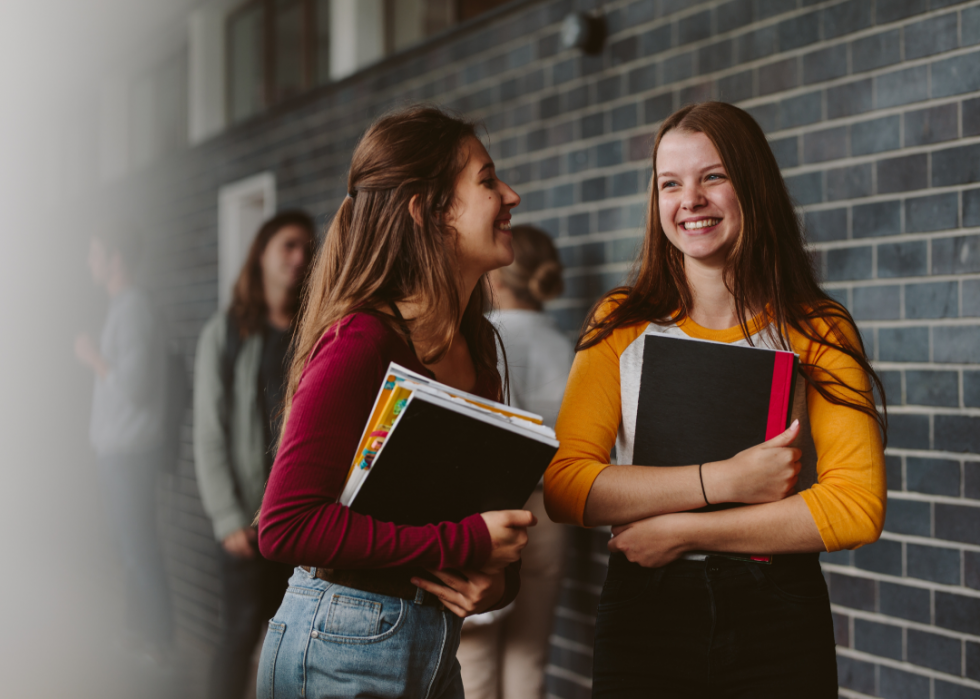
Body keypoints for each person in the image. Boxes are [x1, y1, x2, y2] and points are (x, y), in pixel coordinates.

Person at [544, 102, 887, 698]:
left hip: (777, 610)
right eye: (670, 183)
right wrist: (724, 480)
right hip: (645, 612)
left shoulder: (818, 327)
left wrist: (683, 529)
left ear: (752, 186)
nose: (690, 200)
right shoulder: (622, 323)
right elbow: (568, 487)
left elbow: (856, 507)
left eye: (714, 176)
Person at [255, 105, 536, 699]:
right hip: (339, 645)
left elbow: (462, 516)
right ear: (428, 211)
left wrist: (497, 583)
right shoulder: (362, 341)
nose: (510, 195)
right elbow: (285, 525)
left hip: (433, 645)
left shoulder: (478, 348)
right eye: (487, 181)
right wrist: (468, 544)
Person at [193, 210, 314, 699]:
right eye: (288, 245)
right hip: (245, 521)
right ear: (261, 253)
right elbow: (208, 431)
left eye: (307, 247)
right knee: (240, 635)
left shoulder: (316, 331)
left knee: (291, 646)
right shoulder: (226, 334)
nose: (300, 257)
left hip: (300, 519)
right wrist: (226, 516)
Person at [457, 225, 573, 699]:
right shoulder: (567, 345)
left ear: (498, 278)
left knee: (475, 660)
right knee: (530, 655)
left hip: (500, 514)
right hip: (555, 512)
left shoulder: (484, 338)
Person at [74, 222, 174, 658]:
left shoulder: (132, 309)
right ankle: (141, 634)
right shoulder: (125, 306)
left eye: (95, 254)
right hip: (120, 450)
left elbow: (132, 385)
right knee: (130, 546)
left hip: (130, 452)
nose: (90, 263)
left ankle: (158, 642)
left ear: (116, 259)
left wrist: (93, 357)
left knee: (138, 547)